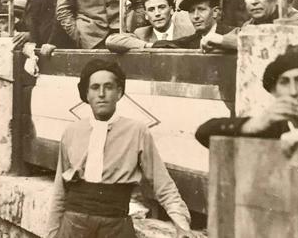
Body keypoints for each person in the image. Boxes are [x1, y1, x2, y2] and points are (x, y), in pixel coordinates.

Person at [42, 59, 194, 238]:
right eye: (95, 87)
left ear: (119, 92)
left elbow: (163, 184)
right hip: (74, 225)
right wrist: (51, 234)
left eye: (108, 87)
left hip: (115, 226)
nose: (101, 94)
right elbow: (60, 191)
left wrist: (182, 224)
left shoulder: (137, 131)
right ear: (86, 94)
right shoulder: (72, 132)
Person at [195, 47, 298, 147]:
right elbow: (203, 133)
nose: (293, 91)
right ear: (274, 92)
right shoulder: (268, 127)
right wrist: (253, 124)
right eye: (284, 83)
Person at [105, 0, 193, 52]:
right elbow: (111, 40)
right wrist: (151, 46)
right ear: (146, 15)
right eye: (151, 10)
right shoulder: (141, 34)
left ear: (171, 10)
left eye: (162, 7)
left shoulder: (188, 31)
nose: (157, 13)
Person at [167, 0, 234, 49]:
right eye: (192, 11)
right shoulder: (190, 42)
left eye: (201, 9)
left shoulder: (232, 34)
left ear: (215, 12)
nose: (195, 16)